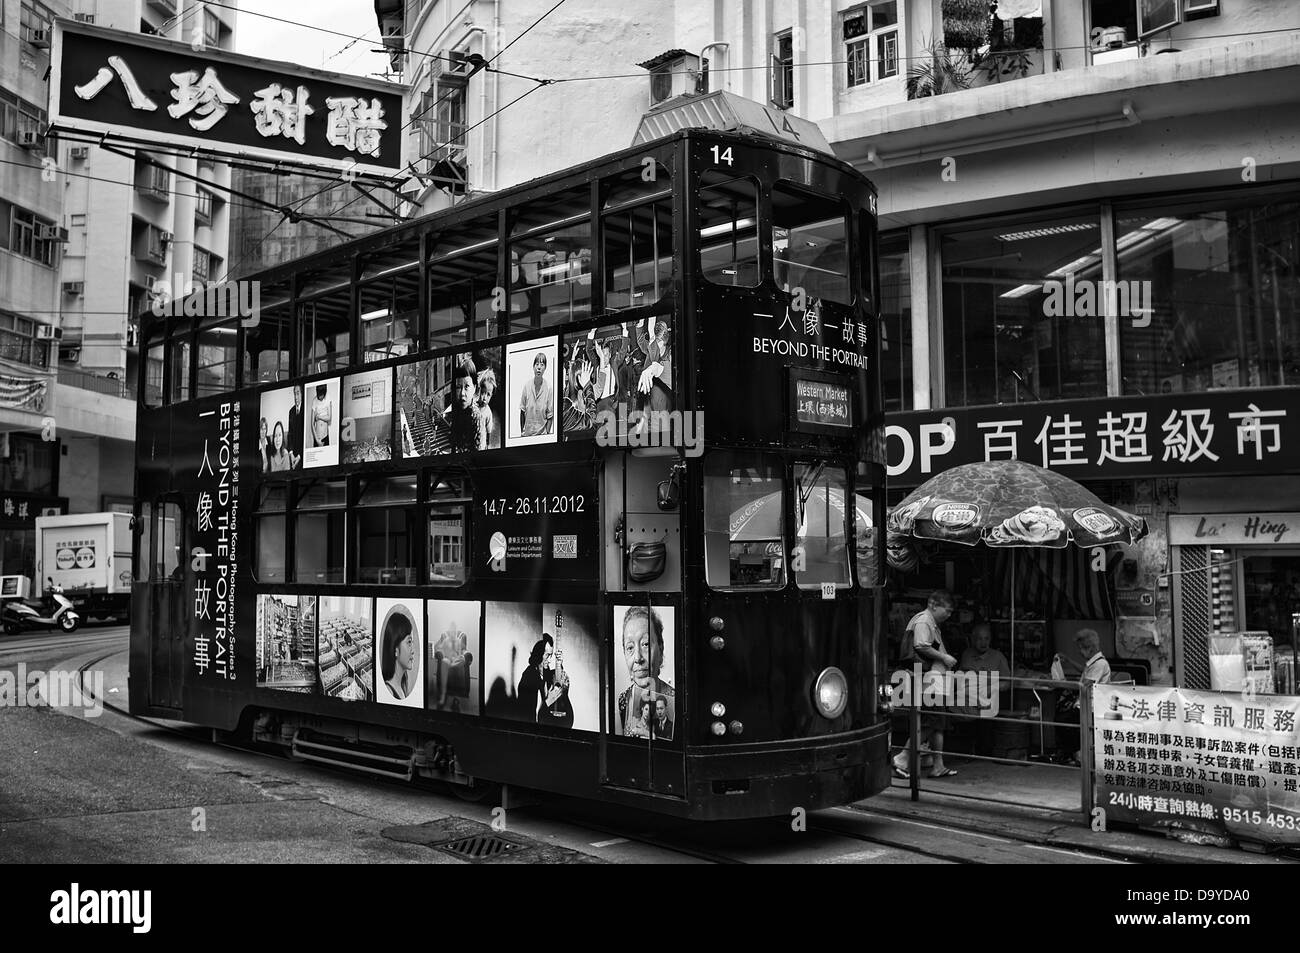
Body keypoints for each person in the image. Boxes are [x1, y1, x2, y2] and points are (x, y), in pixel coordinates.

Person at [893, 589, 958, 779]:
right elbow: (921, 645)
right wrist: (945, 657)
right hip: (931, 680)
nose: (949, 614)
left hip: (935, 680)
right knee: (931, 722)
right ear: (933, 605)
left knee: (938, 724)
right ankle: (903, 758)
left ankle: (938, 765)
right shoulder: (924, 620)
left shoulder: (931, 622)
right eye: (947, 610)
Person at [1052, 628, 1112, 765]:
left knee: (1062, 720)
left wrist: (1060, 683)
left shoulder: (1100, 664)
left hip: (1091, 707)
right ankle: (1073, 753)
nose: (1080, 651)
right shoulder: (1094, 663)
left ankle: (1075, 753)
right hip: (1084, 704)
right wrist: (1068, 661)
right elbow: (1084, 671)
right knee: (1062, 716)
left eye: (1081, 648)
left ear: (1089, 648)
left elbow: (1084, 684)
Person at [617, 606, 675, 737]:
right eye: (630, 647)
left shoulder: (678, 701)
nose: (637, 658)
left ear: (660, 649)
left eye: (646, 644)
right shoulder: (621, 702)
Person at [959, 622, 1011, 755]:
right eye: (979, 639)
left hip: (988, 700)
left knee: (984, 720)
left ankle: (983, 751)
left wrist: (991, 687)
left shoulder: (998, 657)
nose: (983, 642)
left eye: (986, 638)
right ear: (973, 639)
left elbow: (1007, 683)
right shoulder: (967, 653)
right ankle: (967, 749)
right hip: (967, 697)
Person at [516, 633, 572, 727]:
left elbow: (557, 678)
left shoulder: (546, 672)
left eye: (551, 655)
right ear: (539, 654)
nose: (550, 660)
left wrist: (559, 663)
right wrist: (548, 701)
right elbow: (527, 717)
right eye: (547, 655)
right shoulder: (528, 678)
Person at [438, 359, 489, 453]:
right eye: (458, 387)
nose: (462, 393)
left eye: (467, 387)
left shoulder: (477, 418)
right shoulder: (457, 411)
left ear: (474, 388)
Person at [380, 609, 419, 701]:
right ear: (395, 649)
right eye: (409, 642)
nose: (413, 650)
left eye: (412, 642)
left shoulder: (402, 686)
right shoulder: (389, 691)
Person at [519, 351, 554, 437]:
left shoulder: (549, 388)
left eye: (542, 365)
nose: (539, 367)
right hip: (527, 435)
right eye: (537, 364)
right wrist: (522, 433)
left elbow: (550, 416)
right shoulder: (527, 386)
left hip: (542, 436)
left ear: (545, 368)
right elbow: (522, 411)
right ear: (533, 367)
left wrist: (547, 434)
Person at [475, 366, 499, 448]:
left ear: (491, 395)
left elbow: (488, 431)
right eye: (483, 392)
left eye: (488, 394)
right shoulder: (473, 406)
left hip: (481, 444)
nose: (485, 397)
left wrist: (487, 445)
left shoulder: (488, 412)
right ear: (479, 390)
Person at [286, 385, 304, 469]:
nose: (296, 397)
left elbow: (306, 436)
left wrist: (300, 456)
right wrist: (291, 453)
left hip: (303, 454)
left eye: (298, 393)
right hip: (293, 453)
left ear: (302, 394)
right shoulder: (291, 411)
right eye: (294, 394)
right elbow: (290, 434)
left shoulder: (305, 408)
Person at [311, 383, 333, 448]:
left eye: (322, 395)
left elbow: (329, 418)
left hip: (325, 436)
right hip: (317, 438)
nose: (320, 398)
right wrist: (317, 441)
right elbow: (312, 424)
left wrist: (319, 417)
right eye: (319, 395)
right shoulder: (314, 401)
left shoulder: (328, 398)